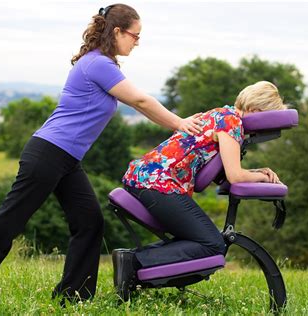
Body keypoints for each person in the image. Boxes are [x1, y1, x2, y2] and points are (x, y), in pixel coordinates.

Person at [0, 4, 203, 304]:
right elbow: (141, 101)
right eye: (135, 35)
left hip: (65, 160)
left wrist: (178, 127)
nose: (137, 42)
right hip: (48, 153)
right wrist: (181, 123)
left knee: (89, 222)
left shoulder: (102, 63)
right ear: (118, 31)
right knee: (11, 219)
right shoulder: (98, 64)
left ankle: (74, 296)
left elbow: (140, 104)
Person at [115, 81, 287, 295]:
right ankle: (133, 262)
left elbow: (224, 172)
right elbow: (235, 176)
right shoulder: (232, 123)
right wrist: (262, 176)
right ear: (256, 111)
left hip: (145, 178)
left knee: (202, 239)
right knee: (212, 244)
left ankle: (129, 262)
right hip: (158, 184)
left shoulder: (221, 114)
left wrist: (256, 172)